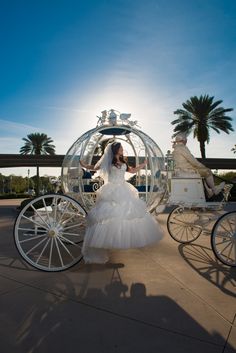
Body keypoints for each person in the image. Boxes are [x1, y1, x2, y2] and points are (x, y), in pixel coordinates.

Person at [79, 141, 164, 264]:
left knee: (125, 215)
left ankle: (117, 239)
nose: (122, 149)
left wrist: (143, 164)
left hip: (123, 188)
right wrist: (85, 165)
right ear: (115, 149)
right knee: (108, 215)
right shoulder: (108, 162)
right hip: (111, 189)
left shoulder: (123, 161)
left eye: (122, 147)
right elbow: (95, 167)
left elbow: (133, 170)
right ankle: (105, 241)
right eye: (120, 148)